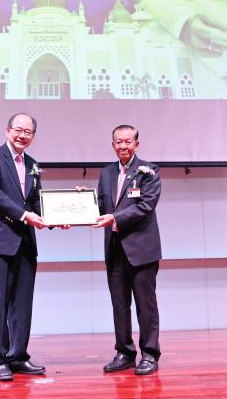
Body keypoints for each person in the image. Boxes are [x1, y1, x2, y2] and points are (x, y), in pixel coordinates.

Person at [0, 113, 48, 381]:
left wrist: (56, 218)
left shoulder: (33, 164)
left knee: (22, 303)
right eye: (18, 130)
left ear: (33, 136)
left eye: (28, 132)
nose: (22, 136)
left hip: (26, 244)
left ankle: (18, 356)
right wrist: (24, 215)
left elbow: (36, 202)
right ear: (8, 130)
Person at [94, 125, 162, 375]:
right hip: (114, 249)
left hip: (142, 249)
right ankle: (124, 352)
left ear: (136, 144)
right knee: (119, 304)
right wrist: (84, 202)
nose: (123, 146)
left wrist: (115, 218)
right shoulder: (106, 173)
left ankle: (150, 354)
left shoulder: (150, 170)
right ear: (113, 145)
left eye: (128, 141)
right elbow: (102, 206)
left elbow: (146, 205)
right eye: (119, 142)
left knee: (146, 305)